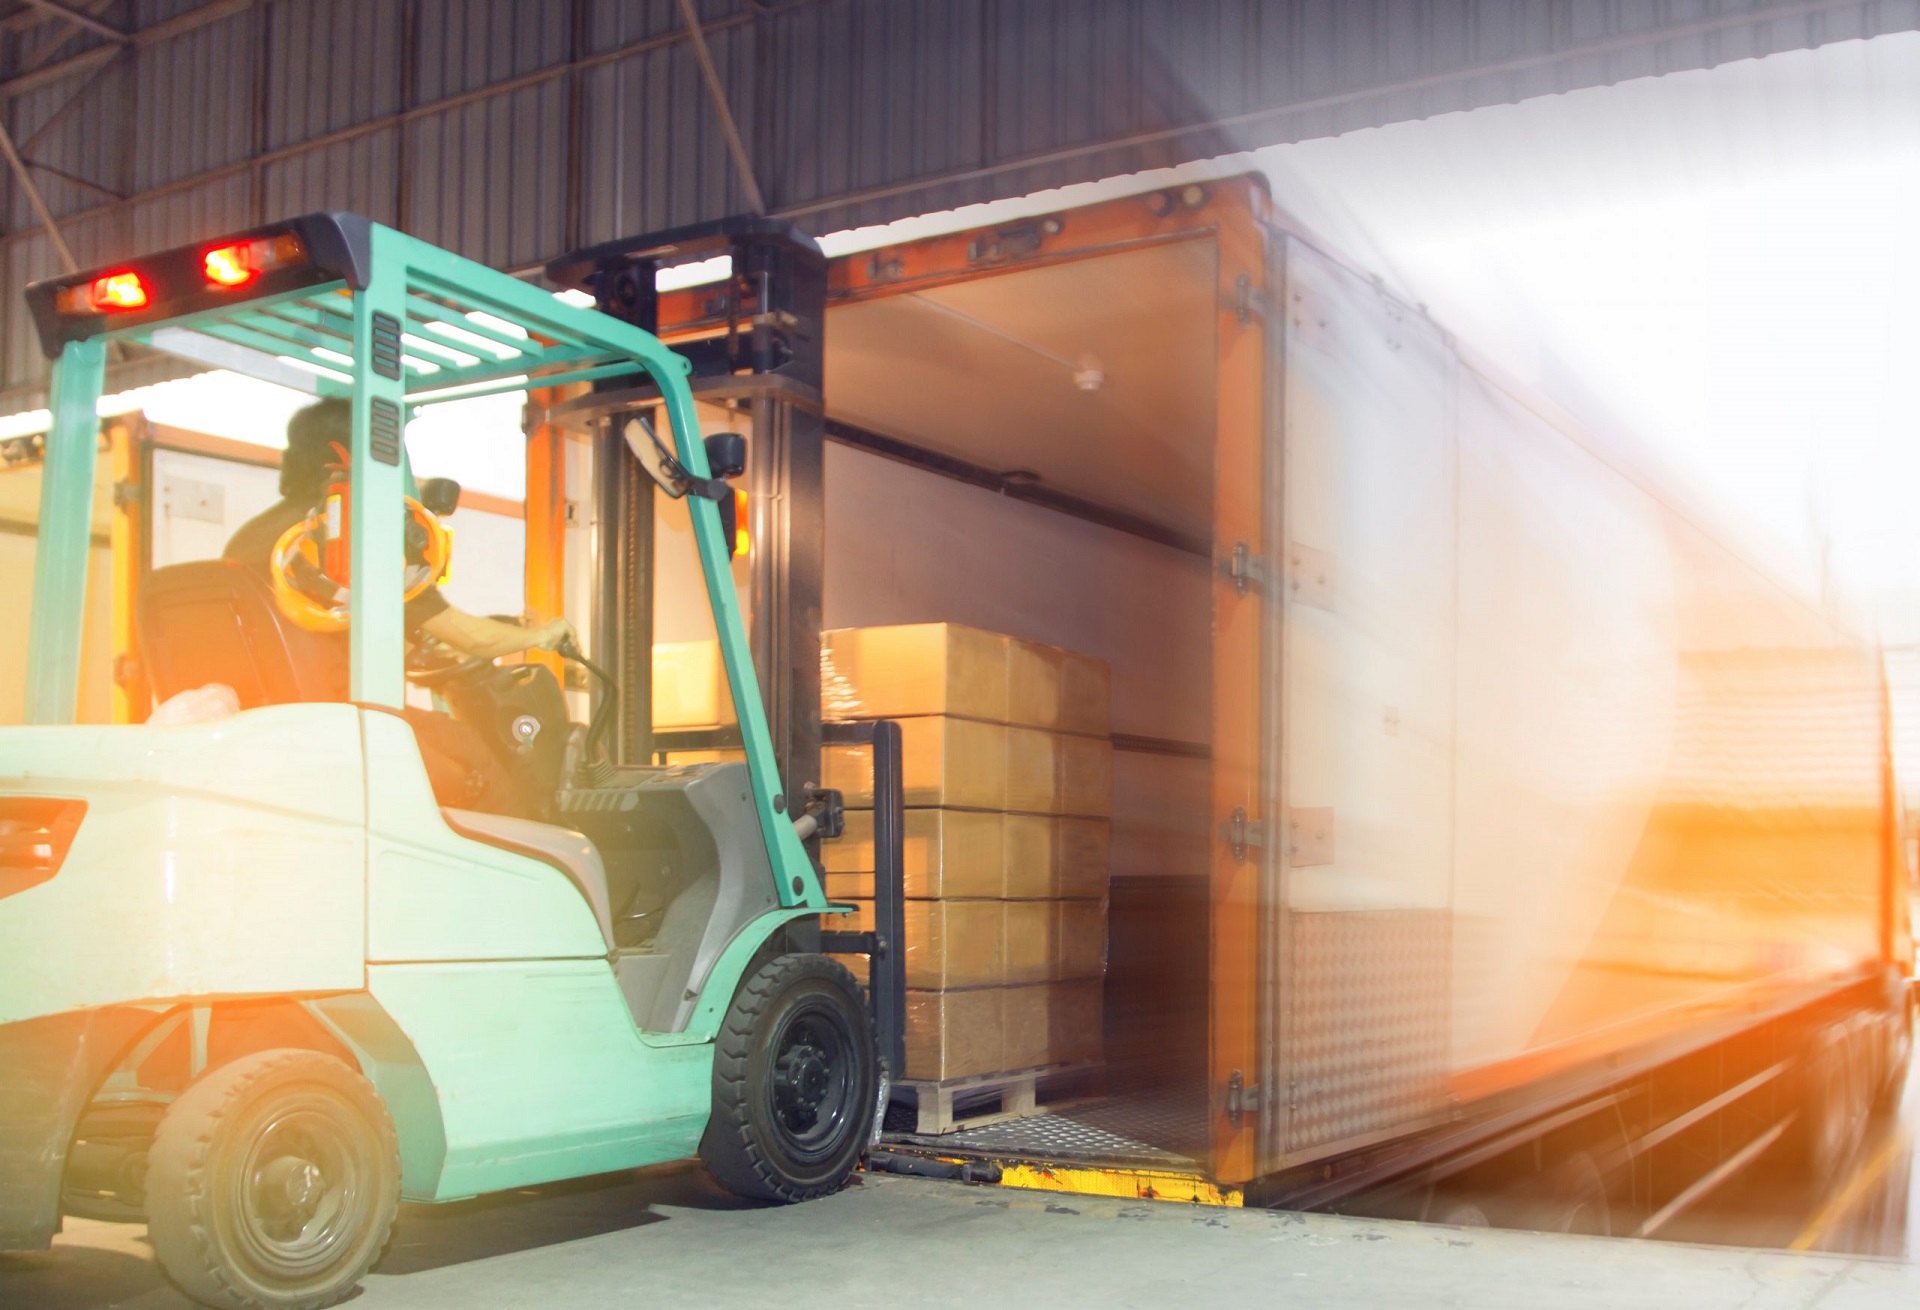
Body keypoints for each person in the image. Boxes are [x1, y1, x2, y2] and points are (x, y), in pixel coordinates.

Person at [224, 397, 574, 817]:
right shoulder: (343, 536)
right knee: (474, 757)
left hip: (279, 719)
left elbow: (321, 624)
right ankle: (525, 875)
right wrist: (544, 634)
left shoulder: (250, 537)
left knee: (449, 736)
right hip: (341, 723)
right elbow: (468, 636)